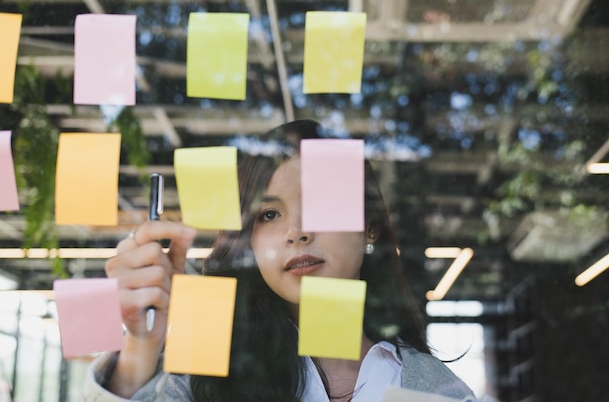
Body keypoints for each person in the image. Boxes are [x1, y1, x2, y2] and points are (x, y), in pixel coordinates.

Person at [82, 119, 475, 402]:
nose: (297, 232)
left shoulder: (439, 391)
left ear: (369, 227)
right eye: (268, 215)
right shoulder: (205, 377)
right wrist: (141, 346)